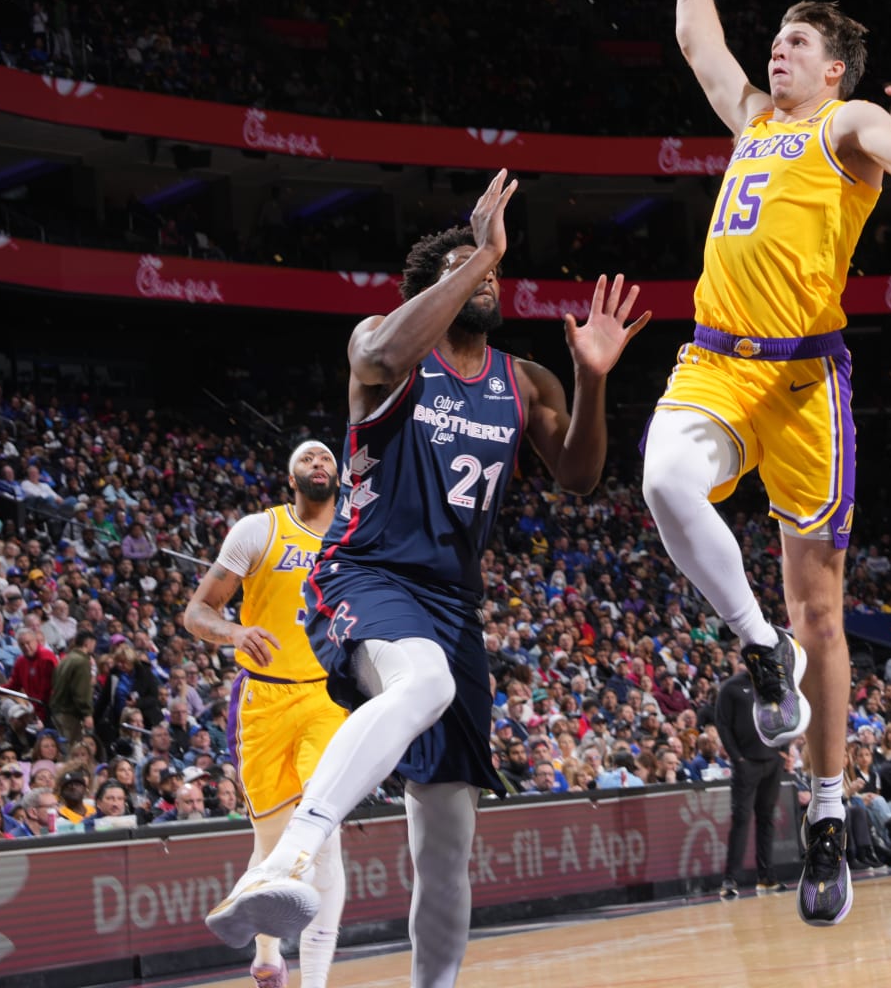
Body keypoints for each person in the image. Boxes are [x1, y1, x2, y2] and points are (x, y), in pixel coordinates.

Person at [206, 172, 647, 988]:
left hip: (453, 602)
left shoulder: (524, 381)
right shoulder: (386, 349)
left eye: (493, 272)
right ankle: (290, 859)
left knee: (446, 847)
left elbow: (581, 476)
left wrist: (591, 377)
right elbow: (377, 351)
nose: (487, 276)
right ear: (433, 288)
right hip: (364, 572)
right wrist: (474, 251)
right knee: (425, 679)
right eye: (467, 268)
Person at [639, 0, 891, 928]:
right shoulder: (752, 120)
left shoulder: (846, 124)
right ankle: (757, 649)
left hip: (804, 384)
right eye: (776, 34)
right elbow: (698, 38)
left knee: (826, 616)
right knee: (662, 484)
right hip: (716, 365)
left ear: (832, 73)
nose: (779, 46)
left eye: (800, 41)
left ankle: (824, 818)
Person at [187, 441, 349, 988]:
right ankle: (265, 955)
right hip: (263, 699)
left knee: (324, 837)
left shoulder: (356, 531)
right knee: (273, 843)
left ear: (340, 473)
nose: (318, 463)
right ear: (291, 477)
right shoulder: (259, 530)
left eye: (326, 457)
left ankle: (317, 981)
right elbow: (197, 611)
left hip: (328, 697)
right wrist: (235, 631)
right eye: (307, 459)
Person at [714, 668, 784, 898]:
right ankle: (731, 878)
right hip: (747, 762)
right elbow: (723, 724)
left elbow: (789, 714)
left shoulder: (773, 683)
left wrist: (783, 748)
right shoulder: (731, 687)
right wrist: (738, 758)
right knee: (741, 819)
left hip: (772, 761)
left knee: (767, 819)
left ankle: (766, 876)